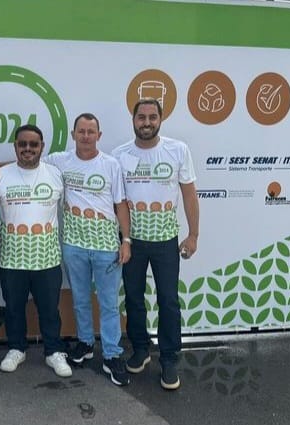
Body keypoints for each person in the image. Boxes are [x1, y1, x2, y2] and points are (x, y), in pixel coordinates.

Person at [111, 98, 199, 390]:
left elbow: (189, 194)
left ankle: (169, 359)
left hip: (166, 241)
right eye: (141, 117)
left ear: (160, 119)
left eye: (152, 117)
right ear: (133, 120)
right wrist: (123, 239)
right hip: (131, 242)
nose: (146, 122)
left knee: (168, 300)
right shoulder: (119, 155)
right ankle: (140, 349)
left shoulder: (178, 150)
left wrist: (193, 234)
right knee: (133, 298)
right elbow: (117, 201)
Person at [45, 113, 132, 387]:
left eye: (90, 131)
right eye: (81, 131)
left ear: (99, 135)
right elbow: (28, 164)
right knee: (80, 299)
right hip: (74, 245)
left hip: (106, 246)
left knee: (108, 304)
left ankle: (112, 354)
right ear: (73, 135)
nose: (85, 136)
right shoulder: (59, 161)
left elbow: (120, 204)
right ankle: (85, 343)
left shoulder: (111, 165)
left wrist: (126, 240)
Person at [0, 124, 71, 377]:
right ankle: (16, 348)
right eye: (22, 144)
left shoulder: (56, 174)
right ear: (15, 146)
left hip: (46, 257)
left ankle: (53, 351)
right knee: (13, 307)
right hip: (11, 257)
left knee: (49, 309)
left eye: (33, 144)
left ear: (42, 147)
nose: (28, 149)